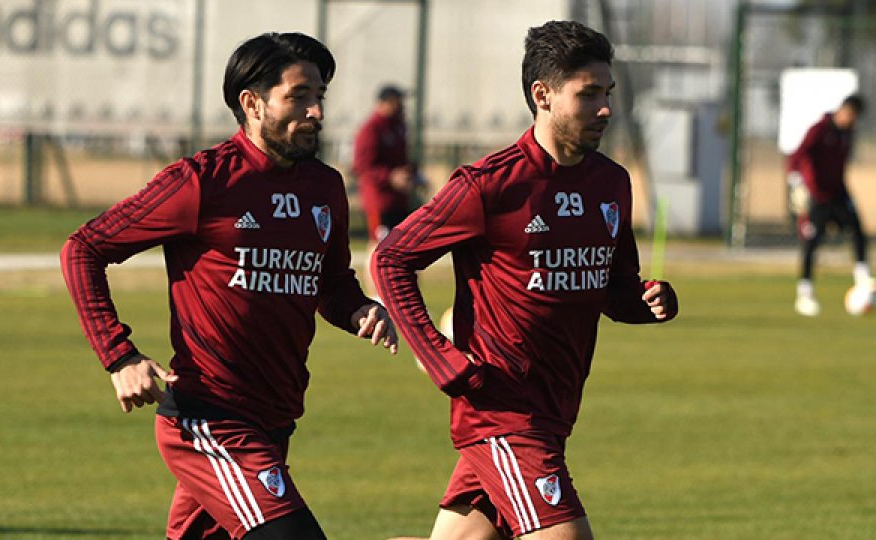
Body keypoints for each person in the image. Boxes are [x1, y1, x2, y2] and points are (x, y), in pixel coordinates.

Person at [61, 32, 397, 540]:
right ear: (252, 103)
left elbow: (331, 284)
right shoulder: (202, 182)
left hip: (276, 420)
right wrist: (119, 356)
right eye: (299, 96)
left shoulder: (324, 188)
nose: (316, 113)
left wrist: (358, 311)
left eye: (319, 97)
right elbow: (84, 248)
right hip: (210, 420)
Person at [373, 21, 677, 540]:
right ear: (543, 94)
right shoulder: (489, 185)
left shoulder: (611, 182)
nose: (604, 108)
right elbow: (391, 259)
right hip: (502, 411)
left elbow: (615, 286)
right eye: (588, 94)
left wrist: (647, 299)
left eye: (607, 93)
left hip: (555, 409)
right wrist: (437, 356)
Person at [788, 94, 871, 316]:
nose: (851, 120)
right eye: (849, 114)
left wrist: (846, 193)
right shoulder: (820, 129)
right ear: (842, 110)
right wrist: (797, 183)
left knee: (858, 232)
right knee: (811, 242)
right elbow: (798, 155)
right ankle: (805, 294)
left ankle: (863, 281)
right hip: (817, 196)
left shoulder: (847, 134)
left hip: (838, 194)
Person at [352, 84, 420, 294]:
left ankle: (397, 291)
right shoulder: (371, 129)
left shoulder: (399, 127)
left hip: (400, 199)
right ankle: (376, 294)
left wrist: (413, 175)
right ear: (385, 103)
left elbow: (400, 160)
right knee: (379, 245)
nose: (401, 106)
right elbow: (362, 166)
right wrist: (390, 177)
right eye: (397, 101)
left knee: (401, 246)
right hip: (379, 201)